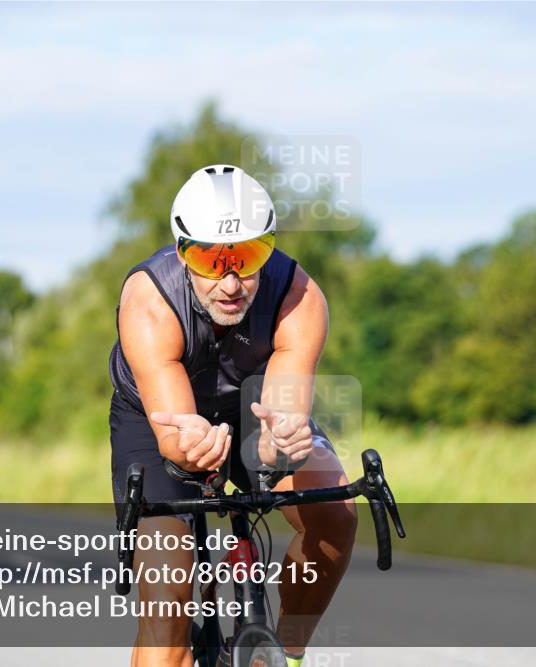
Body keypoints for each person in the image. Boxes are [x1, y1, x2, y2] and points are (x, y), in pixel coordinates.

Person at [109, 165, 357, 667]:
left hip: (253, 408)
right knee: (168, 598)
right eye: (210, 258)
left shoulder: (298, 297)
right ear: (182, 251)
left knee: (335, 513)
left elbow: (279, 423)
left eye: (246, 258)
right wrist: (193, 446)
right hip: (164, 421)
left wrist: (279, 443)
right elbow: (174, 437)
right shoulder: (149, 302)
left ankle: (286, 652)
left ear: (268, 247)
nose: (229, 281)